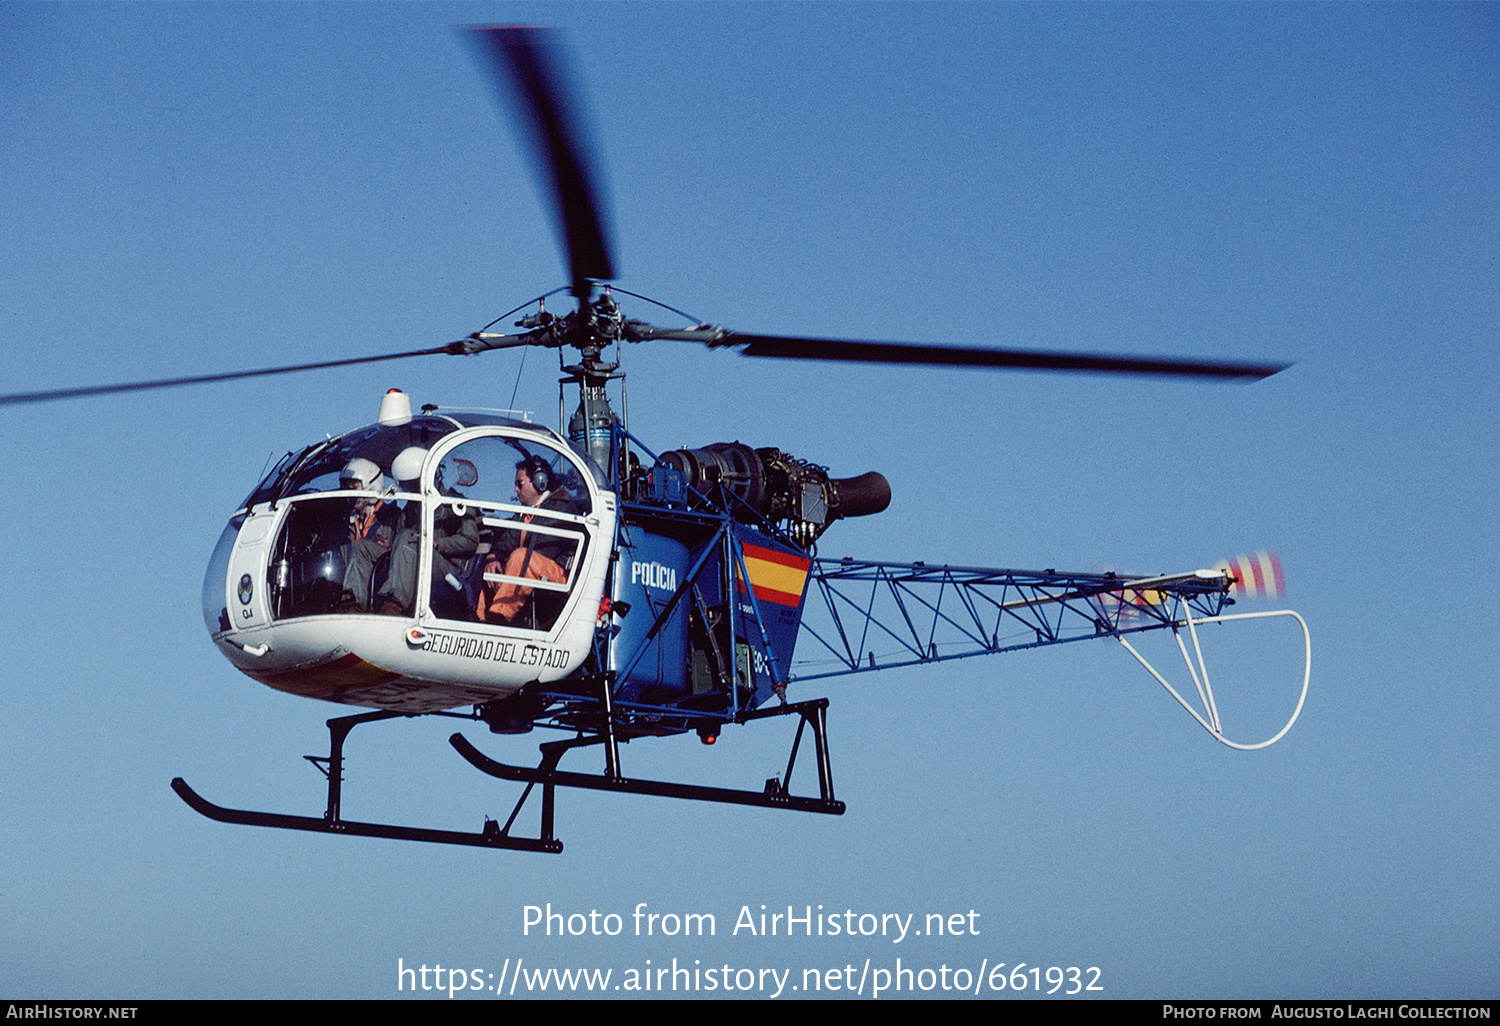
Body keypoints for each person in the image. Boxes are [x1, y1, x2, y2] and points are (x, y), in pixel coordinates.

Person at [367, 446, 480, 617]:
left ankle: (393, 605)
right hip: (415, 557)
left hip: (445, 567)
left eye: (413, 484)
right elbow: (401, 537)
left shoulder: (455, 503)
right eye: (406, 486)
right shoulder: (412, 508)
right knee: (363, 549)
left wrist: (437, 544)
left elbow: (470, 541)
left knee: (408, 537)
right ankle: (353, 604)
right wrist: (389, 543)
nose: (410, 490)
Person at [476, 455, 577, 623]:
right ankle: (478, 619)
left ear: (539, 481)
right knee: (485, 563)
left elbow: (542, 550)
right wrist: (493, 558)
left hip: (558, 574)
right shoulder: (526, 514)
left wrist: (508, 570)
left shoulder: (560, 509)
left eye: (519, 483)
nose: (516, 489)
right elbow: (507, 541)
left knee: (522, 557)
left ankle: (498, 619)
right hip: (527, 567)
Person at [339, 457, 400, 610]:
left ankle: (353, 606)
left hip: (380, 582)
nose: (349, 493)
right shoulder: (345, 522)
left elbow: (401, 554)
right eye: (346, 488)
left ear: (371, 486)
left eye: (354, 488)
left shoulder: (391, 517)